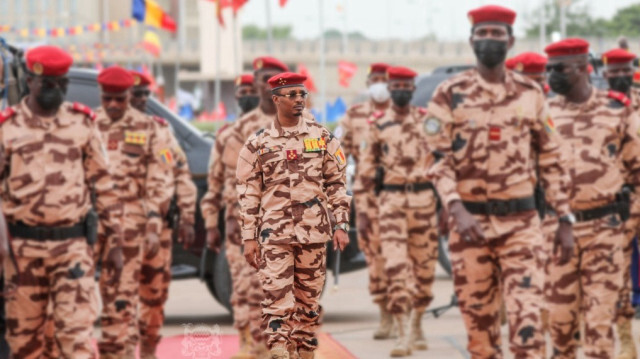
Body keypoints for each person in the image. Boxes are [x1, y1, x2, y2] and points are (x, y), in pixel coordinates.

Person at [426, 5, 573, 358]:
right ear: (471, 40)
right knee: (481, 336)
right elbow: (435, 159)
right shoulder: (449, 93)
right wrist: (455, 207)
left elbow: (552, 159)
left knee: (528, 329)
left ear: (511, 40)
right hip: (470, 228)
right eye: (483, 34)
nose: (489, 40)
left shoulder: (531, 94)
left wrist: (565, 217)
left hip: (521, 226)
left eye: (496, 34)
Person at [0, 45, 123, 359]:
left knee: (77, 340)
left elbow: (105, 186)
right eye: (48, 85)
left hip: (72, 249)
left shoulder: (82, 124)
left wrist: (116, 243)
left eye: (62, 84)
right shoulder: (7, 127)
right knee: (25, 344)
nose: (57, 91)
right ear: (30, 81)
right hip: (20, 253)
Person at [236, 72, 350, 359]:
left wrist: (341, 224)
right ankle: (278, 352)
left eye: (303, 95)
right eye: (292, 95)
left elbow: (337, 184)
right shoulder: (257, 144)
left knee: (308, 305)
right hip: (274, 236)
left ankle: (305, 353)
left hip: (313, 233)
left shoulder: (323, 138)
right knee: (276, 299)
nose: (299, 100)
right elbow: (248, 195)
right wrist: (249, 238)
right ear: (276, 99)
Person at [544, 38, 640, 359]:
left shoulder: (616, 110)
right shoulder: (544, 114)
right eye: (548, 69)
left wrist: (629, 220)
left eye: (558, 69)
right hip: (558, 234)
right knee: (559, 326)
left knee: (599, 325)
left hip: (604, 230)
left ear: (582, 68)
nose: (551, 76)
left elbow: (637, 169)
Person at [201, 58, 290, 358]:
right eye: (263, 79)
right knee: (249, 290)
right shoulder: (237, 132)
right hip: (247, 226)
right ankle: (253, 346)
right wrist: (214, 222)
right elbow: (222, 182)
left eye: (275, 78)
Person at [358, 66, 439, 357]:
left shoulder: (429, 122)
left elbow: (443, 163)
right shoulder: (377, 124)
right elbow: (366, 171)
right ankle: (402, 333)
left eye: (406, 86)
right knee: (394, 268)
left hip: (425, 203)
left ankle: (417, 322)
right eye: (396, 87)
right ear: (390, 90)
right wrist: (364, 211)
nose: (401, 91)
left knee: (425, 271)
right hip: (390, 204)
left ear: (413, 89)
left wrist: (446, 205)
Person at [95, 65, 172, 359]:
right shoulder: (87, 125)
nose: (113, 105)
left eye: (120, 99)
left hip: (129, 224)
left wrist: (153, 223)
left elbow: (159, 178)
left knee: (119, 299)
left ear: (128, 96)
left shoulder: (149, 128)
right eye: (107, 98)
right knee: (71, 299)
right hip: (87, 221)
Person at [129, 70, 197, 359]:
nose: (142, 99)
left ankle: (148, 348)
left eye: (146, 94)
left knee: (155, 295)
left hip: (160, 231)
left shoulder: (161, 131)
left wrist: (188, 215)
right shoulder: (103, 129)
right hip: (122, 228)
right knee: (117, 296)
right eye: (137, 93)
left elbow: (180, 172)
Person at [334, 62, 394, 339]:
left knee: (403, 259)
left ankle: (405, 317)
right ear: (369, 83)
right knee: (376, 260)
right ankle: (386, 314)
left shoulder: (404, 114)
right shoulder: (355, 116)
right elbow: (334, 152)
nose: (380, 84)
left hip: (404, 201)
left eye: (385, 79)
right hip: (369, 202)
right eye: (376, 79)